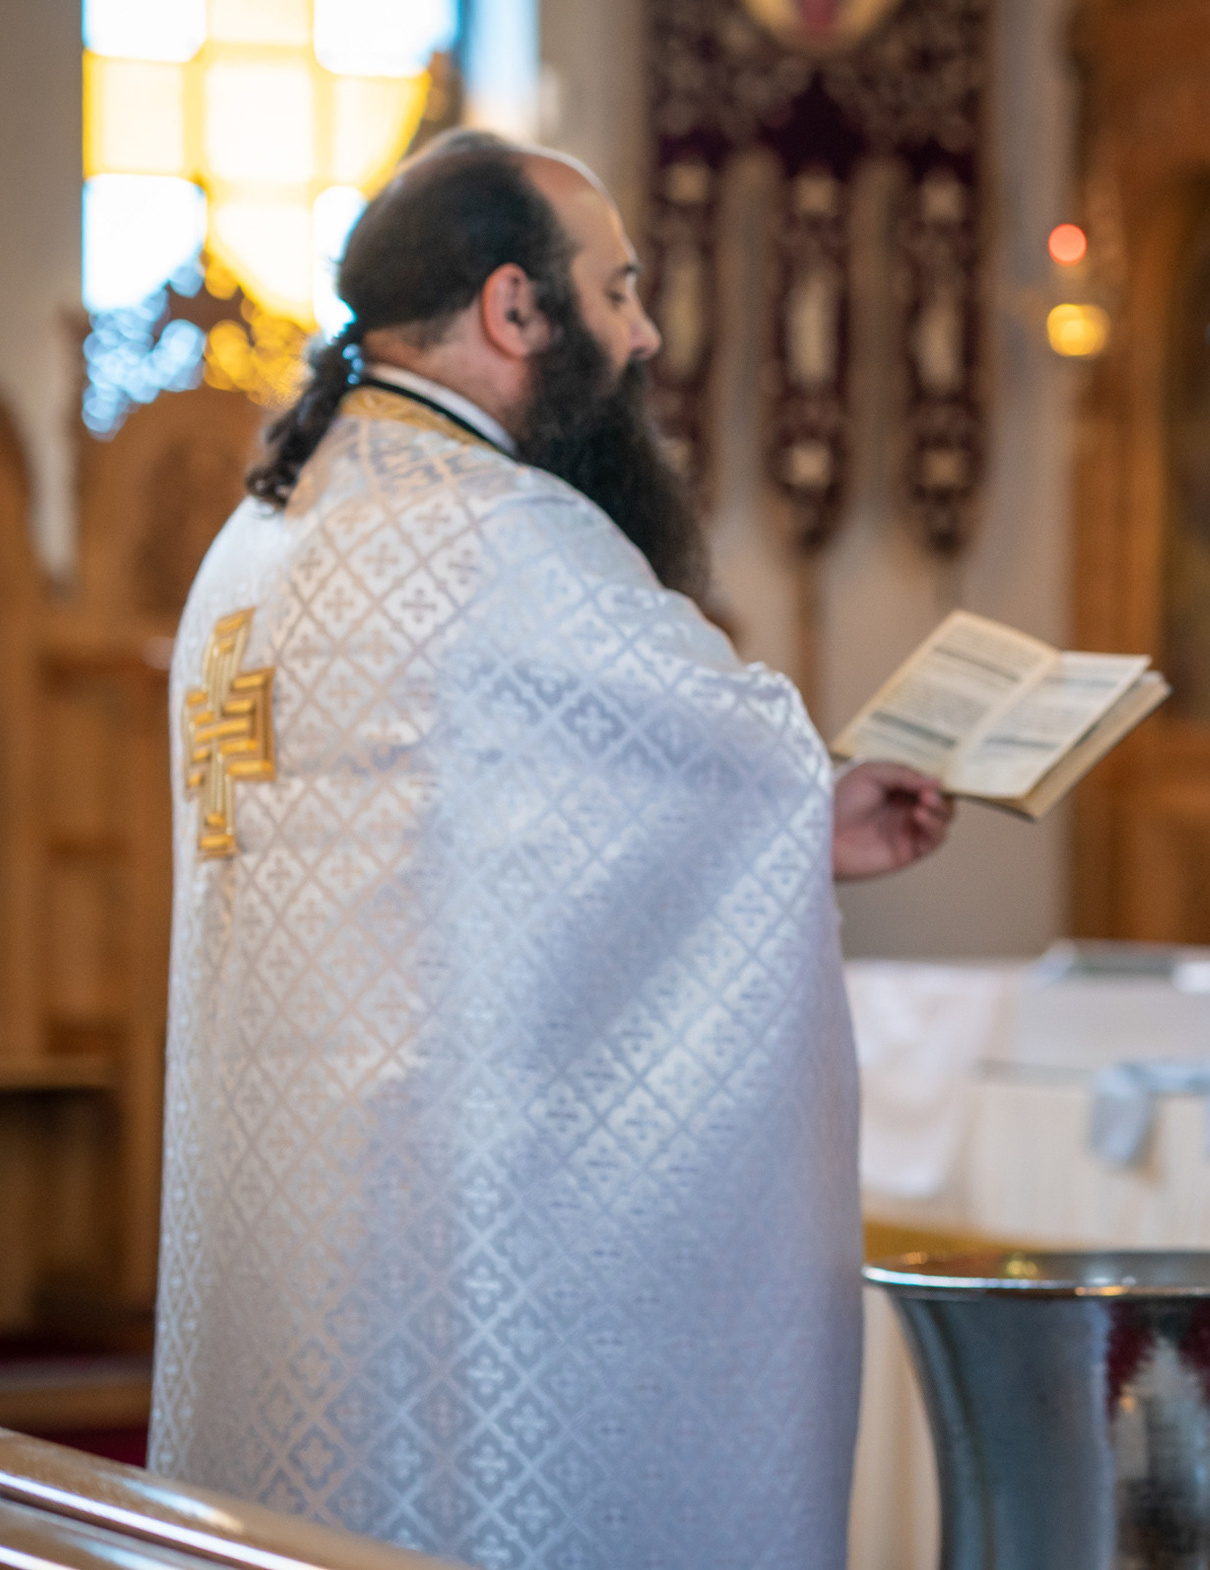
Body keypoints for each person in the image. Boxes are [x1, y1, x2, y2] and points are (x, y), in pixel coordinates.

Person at [151, 130, 953, 1570]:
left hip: (285, 1224)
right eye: (619, 288)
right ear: (515, 306)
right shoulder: (498, 532)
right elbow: (718, 751)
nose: (643, 335)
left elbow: (510, 816)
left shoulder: (256, 540)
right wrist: (799, 801)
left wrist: (799, 816)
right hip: (431, 1238)